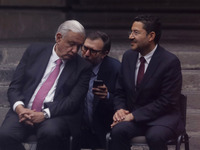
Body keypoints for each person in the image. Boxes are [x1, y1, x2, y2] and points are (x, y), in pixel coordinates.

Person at [0, 20, 91, 150]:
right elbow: (15, 86)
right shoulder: (34, 51)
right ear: (59, 38)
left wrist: (44, 114)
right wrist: (20, 109)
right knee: (4, 135)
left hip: (54, 115)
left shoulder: (83, 67)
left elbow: (73, 101)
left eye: (79, 46)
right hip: (24, 110)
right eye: (71, 44)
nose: (75, 50)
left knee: (51, 134)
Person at [109, 15, 184, 150]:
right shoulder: (128, 57)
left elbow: (167, 101)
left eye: (136, 32)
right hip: (135, 118)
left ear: (151, 36)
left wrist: (133, 116)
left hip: (163, 118)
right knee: (118, 131)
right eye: (131, 32)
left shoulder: (169, 62)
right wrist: (120, 109)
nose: (130, 36)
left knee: (155, 136)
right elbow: (120, 91)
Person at [78, 31, 120, 149]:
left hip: (105, 126)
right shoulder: (75, 65)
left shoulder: (115, 69)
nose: (86, 54)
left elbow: (123, 102)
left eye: (93, 51)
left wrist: (107, 96)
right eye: (84, 48)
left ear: (104, 54)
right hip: (79, 129)